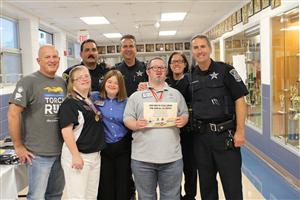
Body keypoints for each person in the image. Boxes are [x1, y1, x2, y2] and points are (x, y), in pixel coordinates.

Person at [189, 35, 248, 200]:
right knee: (207, 187)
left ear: (209, 49)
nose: (200, 51)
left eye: (202, 46)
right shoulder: (191, 75)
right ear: (192, 52)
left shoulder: (226, 70)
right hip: (201, 138)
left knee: (232, 186)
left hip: (225, 136)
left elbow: (240, 100)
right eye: (196, 48)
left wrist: (240, 131)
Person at [124, 57, 189, 200]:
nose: (159, 70)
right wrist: (135, 124)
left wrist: (183, 120)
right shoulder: (136, 96)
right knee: (146, 197)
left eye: (162, 68)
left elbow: (185, 113)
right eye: (155, 68)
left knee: (171, 196)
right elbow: (127, 118)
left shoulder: (175, 94)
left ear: (166, 71)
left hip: (171, 158)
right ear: (148, 71)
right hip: (142, 160)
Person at [7, 45, 66, 199]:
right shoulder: (28, 82)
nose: (52, 60)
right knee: (37, 196)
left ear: (59, 60)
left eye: (55, 57)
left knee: (55, 195)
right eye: (47, 57)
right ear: (38, 60)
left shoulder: (62, 82)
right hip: (38, 155)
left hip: (61, 152)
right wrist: (18, 146)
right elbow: (13, 114)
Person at [58, 65, 106, 199]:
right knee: (78, 197)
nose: (84, 79)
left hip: (94, 155)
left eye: (86, 76)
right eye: (79, 78)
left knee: (91, 196)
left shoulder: (89, 100)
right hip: (78, 155)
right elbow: (66, 132)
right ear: (72, 83)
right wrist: (75, 156)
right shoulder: (70, 103)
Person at [91, 70, 131, 200]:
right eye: (109, 81)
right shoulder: (94, 97)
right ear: (104, 83)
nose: (112, 85)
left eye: (116, 83)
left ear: (121, 86)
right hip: (104, 148)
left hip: (123, 148)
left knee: (123, 183)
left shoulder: (127, 102)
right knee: (105, 184)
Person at [167, 52, 197, 200]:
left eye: (180, 61)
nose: (176, 64)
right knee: (173, 169)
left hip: (189, 132)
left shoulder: (192, 81)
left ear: (185, 64)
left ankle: (190, 196)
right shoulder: (165, 83)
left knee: (190, 167)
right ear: (170, 65)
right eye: (173, 62)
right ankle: (176, 195)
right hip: (169, 132)